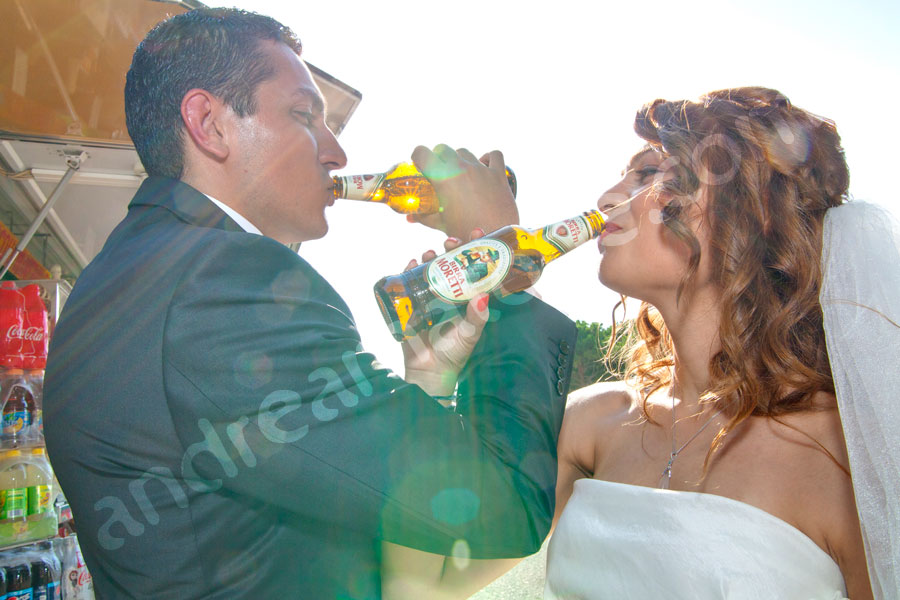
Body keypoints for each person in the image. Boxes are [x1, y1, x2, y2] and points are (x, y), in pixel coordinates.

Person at [42, 8, 577, 598]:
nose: (337, 154)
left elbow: (348, 494)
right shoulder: (225, 280)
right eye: (303, 115)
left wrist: (430, 377)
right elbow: (502, 502)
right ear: (209, 124)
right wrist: (499, 257)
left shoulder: (126, 274)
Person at [382, 88, 898, 599]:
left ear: (752, 213)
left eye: (651, 174)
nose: (608, 198)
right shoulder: (587, 424)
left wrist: (497, 235)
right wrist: (431, 383)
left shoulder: (848, 456)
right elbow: (426, 588)